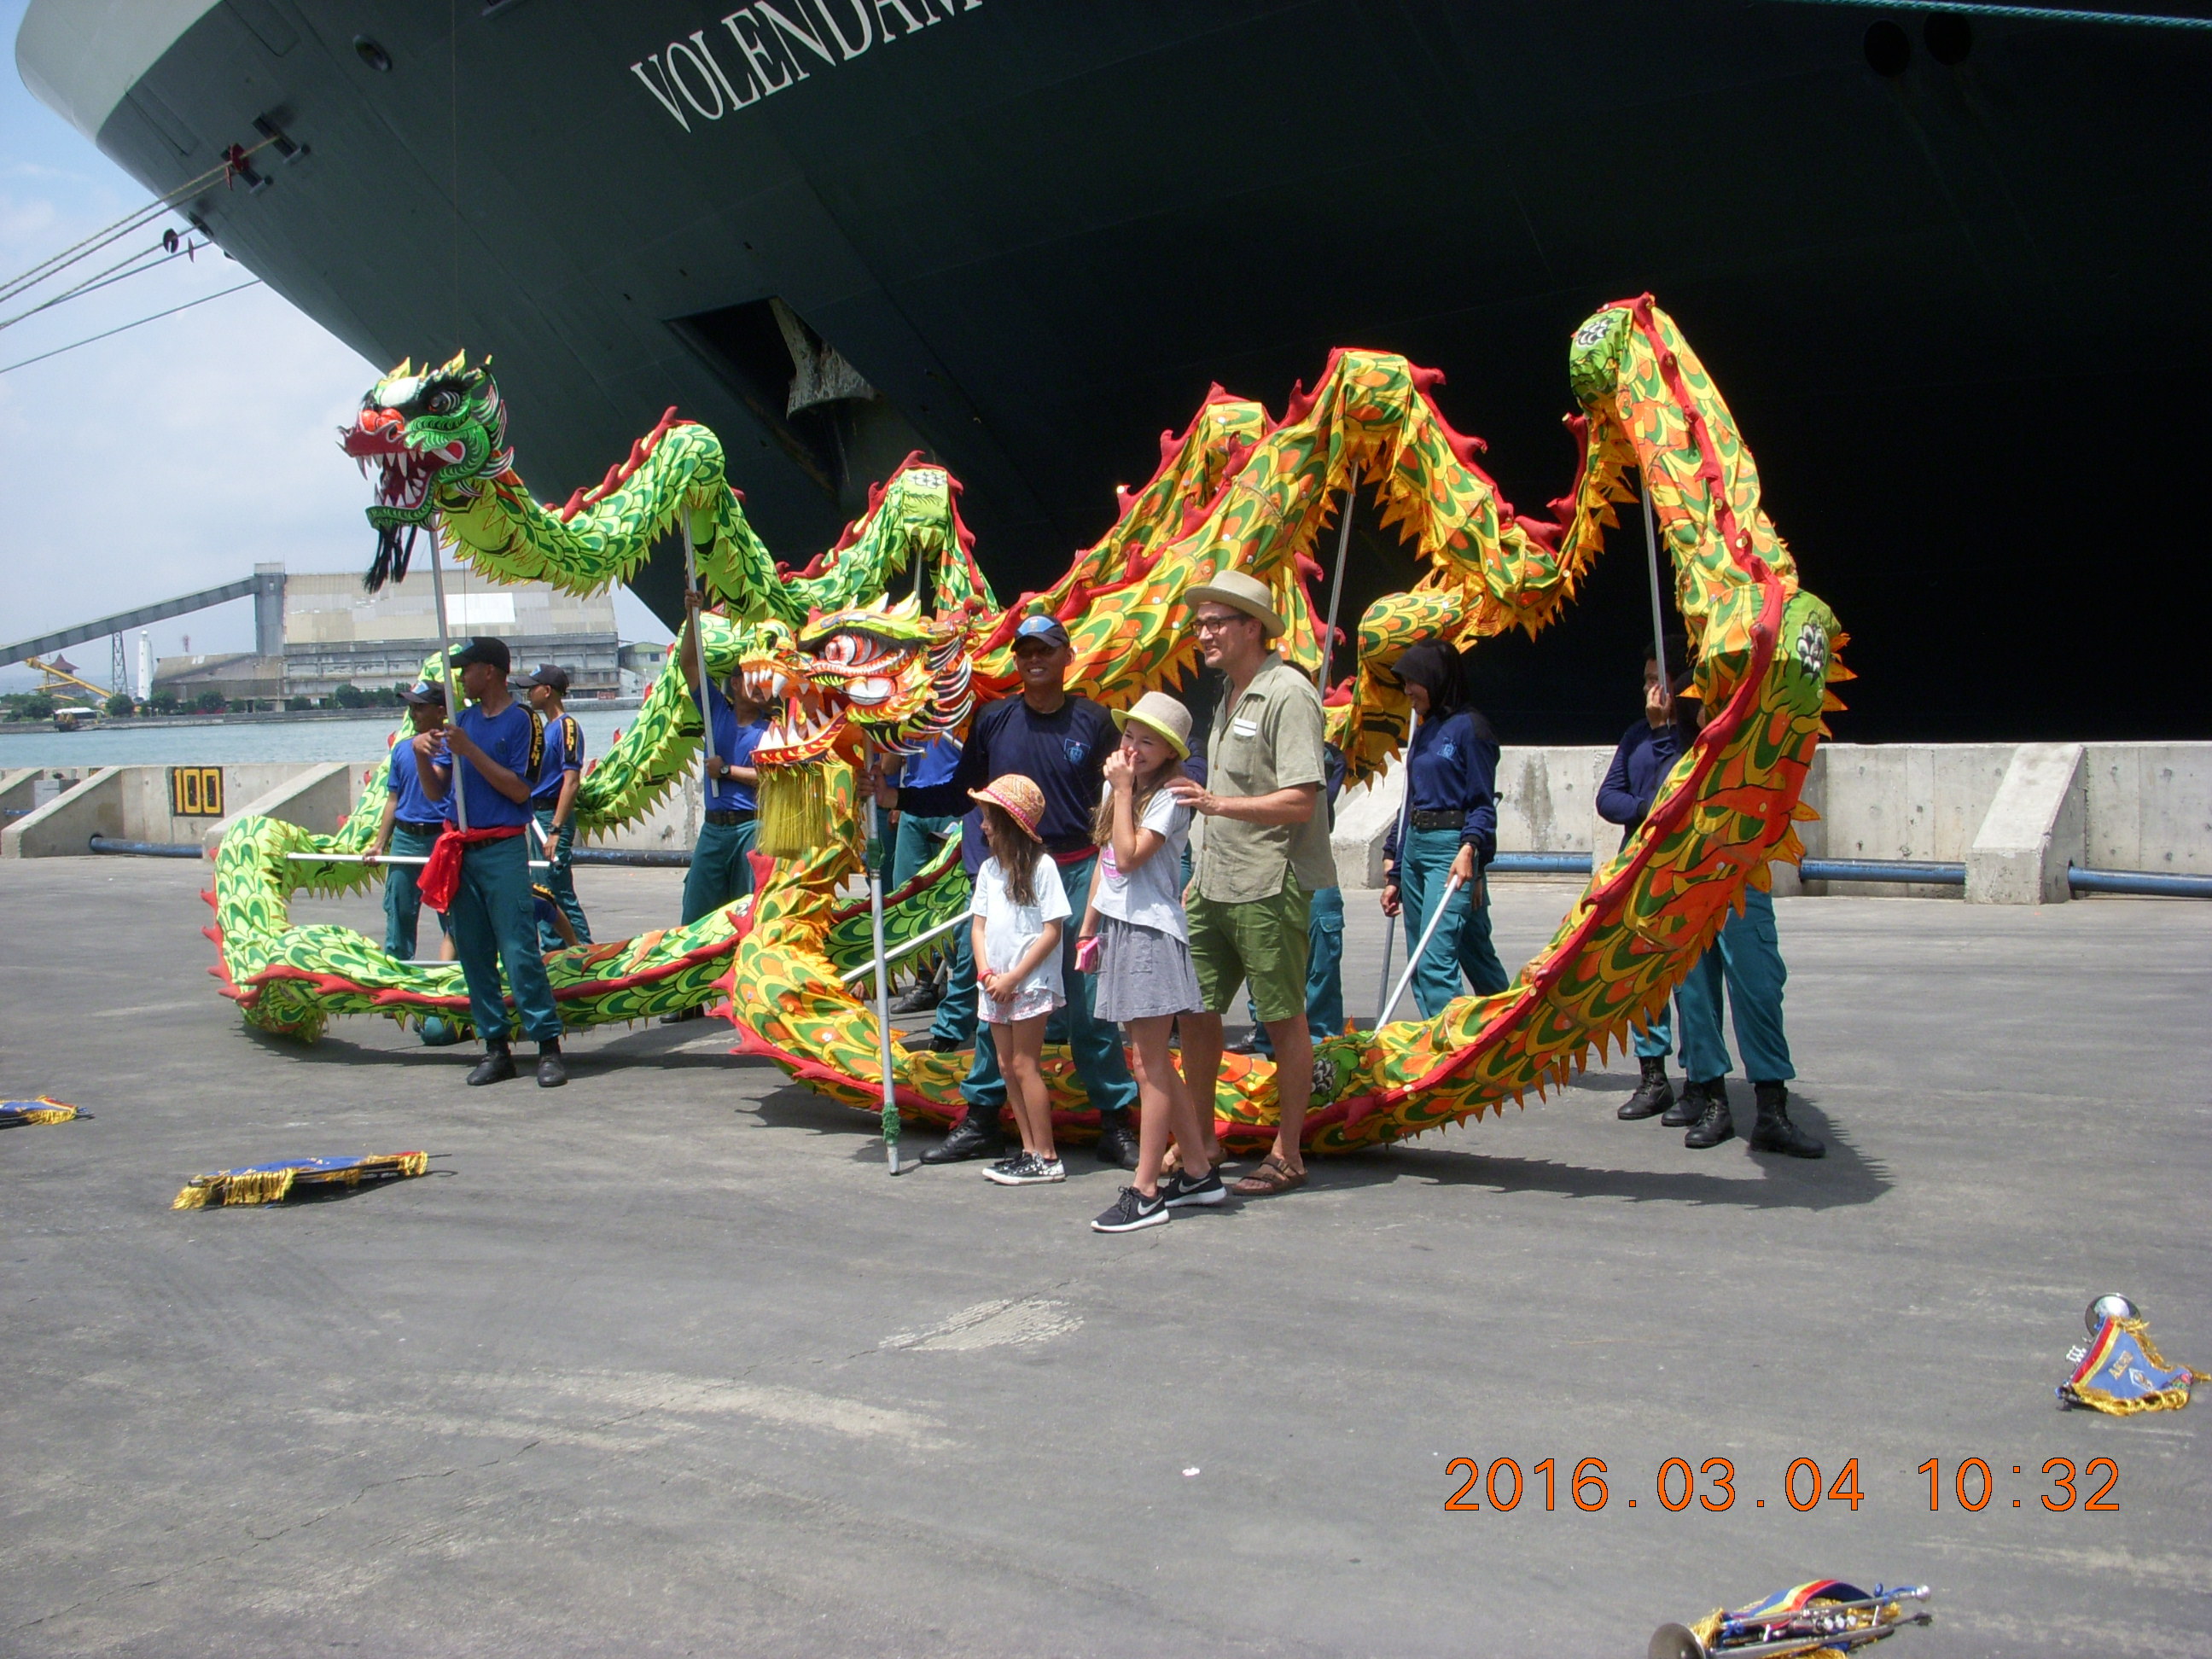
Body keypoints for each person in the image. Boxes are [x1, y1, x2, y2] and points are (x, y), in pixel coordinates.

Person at [896, 615, 1142, 1168]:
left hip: (1077, 872)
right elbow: (960, 792)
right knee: (995, 1002)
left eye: (1046, 649)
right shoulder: (993, 720)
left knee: (1090, 1005)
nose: (1035, 659)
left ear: (1067, 656)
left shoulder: (1095, 720)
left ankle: (1115, 1122)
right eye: (1025, 650)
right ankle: (982, 1119)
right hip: (1012, 877)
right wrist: (896, 798)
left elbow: (1124, 792)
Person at [1167, 570, 1336, 1198]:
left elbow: (1300, 800)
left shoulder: (1288, 694)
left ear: (1252, 628)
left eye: (1216, 623)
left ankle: (1288, 1153)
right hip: (1214, 880)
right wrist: (1197, 871)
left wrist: (1216, 806)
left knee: (1283, 1016)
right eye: (1200, 624)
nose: (1204, 634)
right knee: (1195, 1010)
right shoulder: (1230, 694)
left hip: (1270, 879)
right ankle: (1202, 1140)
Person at [1076, 691, 1221, 1231]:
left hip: (1152, 933)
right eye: (1129, 736)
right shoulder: (1127, 790)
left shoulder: (1169, 797)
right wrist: (1088, 927)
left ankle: (1145, 1191)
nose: (1133, 749)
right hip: (1121, 928)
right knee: (1151, 1061)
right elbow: (1106, 859)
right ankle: (1199, 1172)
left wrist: (1121, 790)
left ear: (1170, 753)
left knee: (1149, 1064)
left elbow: (1131, 855)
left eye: (1148, 742)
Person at [418, 635, 568, 1088]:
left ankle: (547, 1045)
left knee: (519, 948)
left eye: (467, 668)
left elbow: (521, 789)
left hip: (502, 848)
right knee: (474, 952)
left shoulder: (523, 721)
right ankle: (495, 1046)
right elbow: (437, 791)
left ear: (490, 672)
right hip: (461, 849)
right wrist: (423, 757)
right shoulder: (462, 722)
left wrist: (470, 751)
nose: (461, 677)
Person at [1378, 641, 1507, 1019]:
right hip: (1416, 847)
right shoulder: (1424, 728)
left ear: (1436, 679)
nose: (1407, 691)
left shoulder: (1472, 729)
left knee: (1436, 958)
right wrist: (1395, 866)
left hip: (1451, 850)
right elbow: (1411, 799)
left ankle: (1462, 1044)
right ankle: (1449, 1030)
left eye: (1413, 682)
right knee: (1428, 958)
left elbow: (1482, 802)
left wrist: (1473, 855)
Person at [1599, 636, 1698, 1126]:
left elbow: (1673, 791)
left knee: (1689, 982)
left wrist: (1664, 731)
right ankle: (1652, 1075)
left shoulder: (1693, 737)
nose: (1649, 689)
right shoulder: (1635, 735)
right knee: (1642, 977)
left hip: (1682, 869)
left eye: (1658, 680)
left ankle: (1700, 1078)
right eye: (1646, 680)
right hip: (1637, 867)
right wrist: (1642, 811)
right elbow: (1609, 797)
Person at [666, 590, 769, 1023]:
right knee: (695, 911)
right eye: (751, 678)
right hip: (714, 828)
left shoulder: (772, 728)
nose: (759, 686)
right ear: (735, 685)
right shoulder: (717, 714)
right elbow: (690, 665)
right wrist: (692, 615)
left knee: (750, 911)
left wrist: (726, 770)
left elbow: (771, 778)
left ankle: (747, 995)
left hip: (751, 826)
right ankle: (687, 997)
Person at [966, 775, 1070, 1186]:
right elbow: (978, 927)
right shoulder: (989, 870)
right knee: (1007, 1065)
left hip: (1028, 982)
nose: (983, 826)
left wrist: (1014, 977)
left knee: (1026, 1064)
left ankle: (1047, 1155)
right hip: (995, 982)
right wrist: (987, 973)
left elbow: (1052, 931)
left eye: (990, 818)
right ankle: (1029, 1150)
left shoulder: (1043, 867)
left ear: (1009, 822)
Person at [1234, 742, 1348, 1056]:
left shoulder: (1324, 754)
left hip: (1309, 865)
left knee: (1321, 958)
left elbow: (1313, 800)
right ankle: (1266, 1033)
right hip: (1261, 864)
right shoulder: (1252, 748)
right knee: (1263, 955)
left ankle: (1323, 1040)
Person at [366, 679, 453, 962]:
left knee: (451, 914)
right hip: (405, 839)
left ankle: (454, 974)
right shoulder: (402, 750)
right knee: (399, 911)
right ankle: (397, 973)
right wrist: (380, 843)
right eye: (411, 708)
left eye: (420, 707)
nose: (414, 714)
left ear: (440, 711)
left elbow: (440, 785)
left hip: (441, 838)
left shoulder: (453, 748)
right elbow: (393, 800)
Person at [887, 732, 964, 1020]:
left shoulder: (960, 711)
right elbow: (889, 765)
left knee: (952, 896)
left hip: (954, 801)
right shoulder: (910, 713)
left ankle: (961, 984)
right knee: (907, 894)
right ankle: (925, 981)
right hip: (914, 802)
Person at [522, 663, 591, 952]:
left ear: (547, 691)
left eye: (532, 688)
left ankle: (584, 951)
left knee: (557, 888)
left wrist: (556, 829)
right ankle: (553, 952)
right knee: (542, 887)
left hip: (552, 814)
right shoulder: (545, 729)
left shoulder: (566, 727)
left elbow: (571, 781)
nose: (528, 693)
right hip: (536, 814)